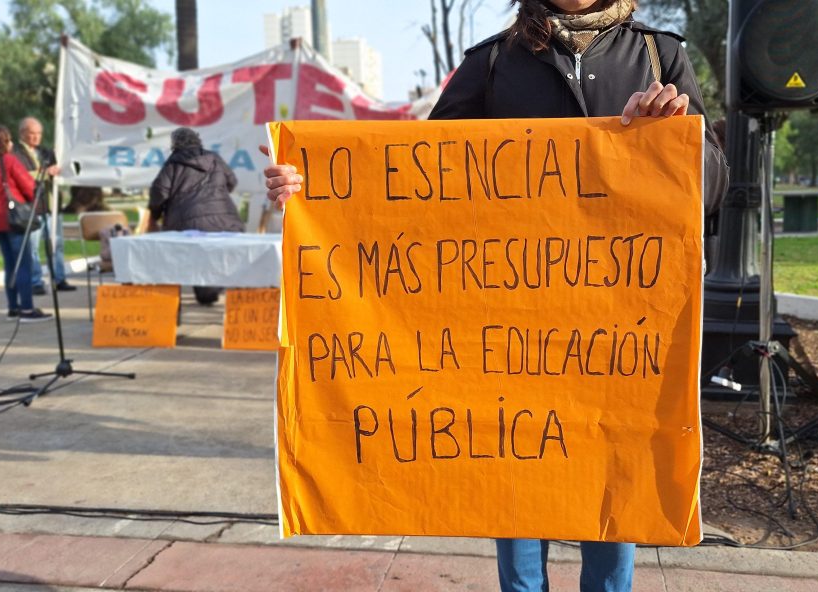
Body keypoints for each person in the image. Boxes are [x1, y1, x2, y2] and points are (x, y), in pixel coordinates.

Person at [261, 1, 728, 589]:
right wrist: (311, 185)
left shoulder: (660, 56)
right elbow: (407, 178)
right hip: (510, 324)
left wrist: (674, 139)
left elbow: (712, 185)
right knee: (516, 470)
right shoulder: (490, 64)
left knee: (615, 472)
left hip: (615, 326)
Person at [149, 127, 244, 305]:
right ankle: (210, 291)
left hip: (185, 222)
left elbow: (159, 192)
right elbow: (232, 181)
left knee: (192, 258)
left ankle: (206, 293)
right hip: (224, 220)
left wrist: (155, 214)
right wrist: (218, 194)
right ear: (197, 140)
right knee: (217, 255)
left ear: (174, 144)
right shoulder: (214, 158)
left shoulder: (173, 163)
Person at [0, 124, 53, 323]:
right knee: (23, 263)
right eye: (8, 140)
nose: (11, 143)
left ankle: (13, 308)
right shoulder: (8, 161)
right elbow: (28, 186)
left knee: (10, 263)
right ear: (1, 143)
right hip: (13, 217)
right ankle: (27, 309)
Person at [13, 117, 75, 295]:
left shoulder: (46, 152)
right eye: (32, 133)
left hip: (51, 206)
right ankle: (35, 282)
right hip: (31, 207)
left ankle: (59, 279)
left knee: (56, 244)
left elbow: (59, 170)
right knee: (32, 248)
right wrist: (44, 173)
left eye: (39, 133)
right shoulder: (15, 153)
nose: (36, 137)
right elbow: (19, 175)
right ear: (22, 133)